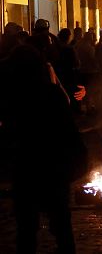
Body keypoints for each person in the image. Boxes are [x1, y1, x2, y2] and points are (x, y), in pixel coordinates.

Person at [1, 43, 88, 254]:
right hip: (53, 167)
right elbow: (68, 130)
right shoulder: (53, 94)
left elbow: (8, 133)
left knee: (26, 229)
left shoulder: (12, 99)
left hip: (26, 168)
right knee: (61, 225)